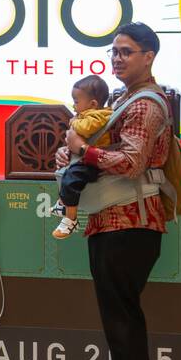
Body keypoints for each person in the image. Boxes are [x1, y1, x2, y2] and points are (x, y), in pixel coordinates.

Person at [57, 23, 173, 360]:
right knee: (119, 320)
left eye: (127, 51)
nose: (117, 58)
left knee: (123, 321)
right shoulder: (124, 100)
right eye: (114, 51)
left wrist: (81, 150)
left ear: (149, 56)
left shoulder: (144, 105)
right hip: (114, 221)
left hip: (132, 223)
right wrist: (73, 150)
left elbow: (131, 162)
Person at [51, 74, 112, 238]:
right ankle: (63, 203)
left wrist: (73, 122)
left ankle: (70, 219)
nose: (74, 105)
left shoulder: (98, 115)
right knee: (66, 176)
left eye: (76, 102)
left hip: (94, 163)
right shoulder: (88, 114)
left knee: (71, 180)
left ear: (93, 104)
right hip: (85, 159)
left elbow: (85, 129)